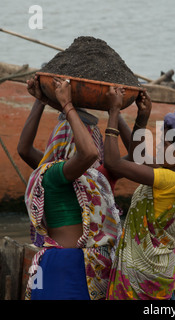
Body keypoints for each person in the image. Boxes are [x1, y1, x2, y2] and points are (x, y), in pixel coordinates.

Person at [103, 87, 175, 300]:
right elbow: (138, 156)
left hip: (142, 275)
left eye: (167, 143)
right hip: (157, 270)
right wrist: (141, 118)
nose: (161, 145)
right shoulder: (172, 173)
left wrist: (114, 112)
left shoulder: (169, 180)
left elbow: (114, 163)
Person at [19, 76, 121, 300]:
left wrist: (41, 100)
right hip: (69, 267)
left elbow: (24, 149)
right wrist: (67, 105)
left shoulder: (91, 180)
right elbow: (90, 154)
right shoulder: (54, 175)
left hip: (61, 265)